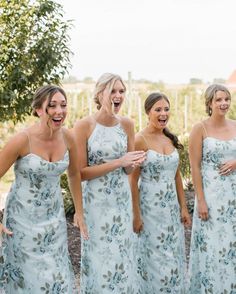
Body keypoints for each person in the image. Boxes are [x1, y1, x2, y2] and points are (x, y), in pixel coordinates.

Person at [0, 85, 88, 293]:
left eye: (63, 105)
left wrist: (79, 212)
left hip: (53, 221)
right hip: (21, 222)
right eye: (52, 106)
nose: (60, 111)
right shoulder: (22, 140)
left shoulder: (69, 137)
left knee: (56, 279)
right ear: (39, 109)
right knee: (28, 281)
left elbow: (74, 174)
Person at [73, 73, 146, 293]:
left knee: (122, 258)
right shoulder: (84, 126)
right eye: (112, 91)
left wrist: (134, 162)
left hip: (120, 204)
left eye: (121, 91)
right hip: (96, 205)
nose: (118, 95)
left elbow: (127, 168)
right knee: (100, 261)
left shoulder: (127, 124)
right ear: (99, 94)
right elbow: (80, 173)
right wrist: (119, 162)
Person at [130, 92, 191, 294]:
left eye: (166, 109)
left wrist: (183, 207)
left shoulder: (170, 139)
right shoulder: (140, 140)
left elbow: (177, 177)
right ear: (148, 112)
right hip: (150, 209)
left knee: (172, 254)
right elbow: (132, 180)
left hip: (171, 210)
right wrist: (136, 215)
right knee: (153, 257)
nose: (163, 114)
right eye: (158, 110)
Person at [188, 84, 236, 293]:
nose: (224, 103)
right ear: (209, 103)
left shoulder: (235, 125)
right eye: (218, 100)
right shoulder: (200, 128)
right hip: (211, 197)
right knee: (213, 246)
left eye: (226, 99)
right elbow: (195, 167)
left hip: (233, 195)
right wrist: (201, 200)